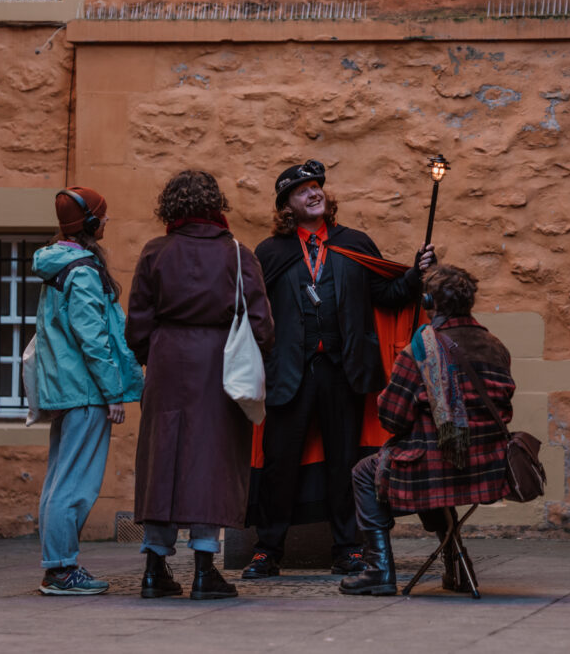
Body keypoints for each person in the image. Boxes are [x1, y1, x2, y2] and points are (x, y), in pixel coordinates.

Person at [243, 159, 436, 579]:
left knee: (344, 463)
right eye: (302, 190)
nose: (313, 193)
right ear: (286, 205)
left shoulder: (355, 243)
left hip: (342, 370)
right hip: (288, 372)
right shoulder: (270, 252)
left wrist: (415, 273)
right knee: (279, 463)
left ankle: (347, 548)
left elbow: (387, 294)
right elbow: (253, 311)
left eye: (317, 187)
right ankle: (267, 549)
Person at [127, 170, 275, 600]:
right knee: (212, 460)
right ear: (216, 204)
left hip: (168, 360)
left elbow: (137, 323)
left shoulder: (155, 251)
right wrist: (259, 355)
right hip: (220, 361)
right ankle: (205, 569)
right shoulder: (236, 253)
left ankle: (155, 568)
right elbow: (262, 322)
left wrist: (151, 353)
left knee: (162, 459)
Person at [341, 265, 515, 596]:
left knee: (366, 472)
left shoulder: (419, 350)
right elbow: (505, 405)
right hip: (490, 466)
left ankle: (378, 570)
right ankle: (457, 568)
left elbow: (391, 417)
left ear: (428, 301)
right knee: (428, 457)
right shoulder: (496, 345)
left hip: (436, 469)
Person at [32, 186, 144, 596]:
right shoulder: (79, 270)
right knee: (75, 484)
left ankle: (58, 567)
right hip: (85, 392)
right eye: (104, 215)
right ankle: (61, 570)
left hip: (69, 389)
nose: (108, 222)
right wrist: (114, 392)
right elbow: (93, 338)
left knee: (60, 480)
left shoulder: (60, 264)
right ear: (91, 224)